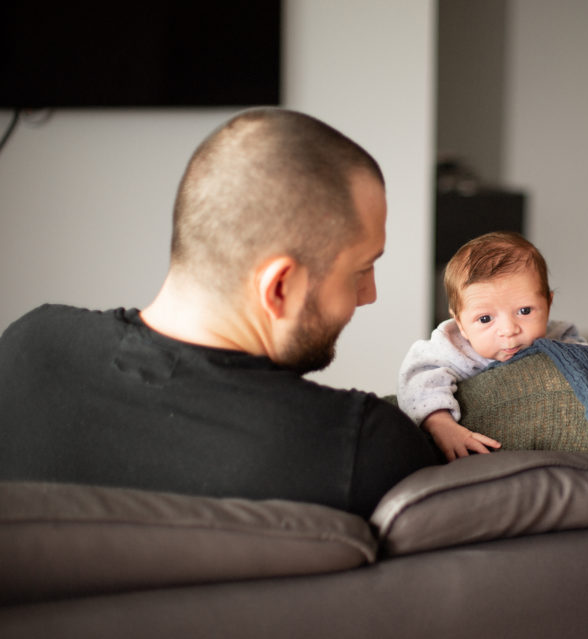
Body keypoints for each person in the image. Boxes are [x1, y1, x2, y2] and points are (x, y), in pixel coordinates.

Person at [0, 107, 441, 519]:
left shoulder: (28, 351)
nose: (369, 295)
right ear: (280, 287)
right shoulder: (361, 448)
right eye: (361, 270)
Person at [398, 231, 587, 460]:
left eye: (524, 311)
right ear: (461, 323)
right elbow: (418, 380)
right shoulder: (451, 347)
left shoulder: (559, 336)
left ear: (548, 303)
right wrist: (441, 425)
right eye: (485, 319)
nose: (509, 330)